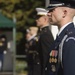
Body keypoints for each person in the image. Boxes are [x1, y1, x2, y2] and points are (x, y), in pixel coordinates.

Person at [46, 0, 75, 75]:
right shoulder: (62, 37)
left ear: (64, 13)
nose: (48, 14)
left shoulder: (70, 40)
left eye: (52, 10)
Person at [35, 8, 54, 75]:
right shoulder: (42, 33)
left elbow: (46, 56)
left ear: (45, 19)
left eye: (38, 18)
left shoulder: (46, 34)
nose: (36, 20)